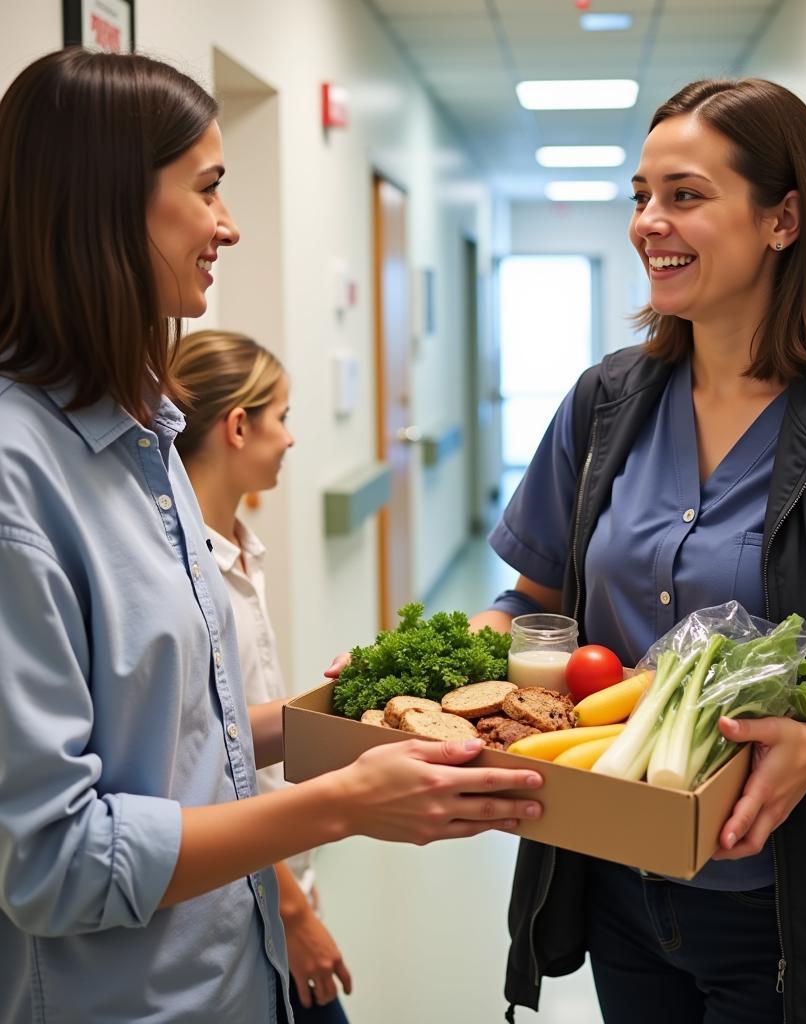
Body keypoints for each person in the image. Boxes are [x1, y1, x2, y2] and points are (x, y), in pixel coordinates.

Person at [0, 48, 543, 1024]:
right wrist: (338, 804)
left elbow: (169, 733)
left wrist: (335, 721)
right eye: (208, 189)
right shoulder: (17, 476)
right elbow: (54, 863)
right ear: (110, 205)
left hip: (231, 972)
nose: (230, 224)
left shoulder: (147, 435)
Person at [470, 78, 806, 1024]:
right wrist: (453, 672)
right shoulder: (605, 408)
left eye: (685, 195)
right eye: (640, 196)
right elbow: (531, 606)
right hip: (622, 892)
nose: (649, 222)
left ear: (783, 219)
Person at [174, 329, 351, 1021]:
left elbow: (239, 731)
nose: (292, 438)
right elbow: (205, 765)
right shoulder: (187, 576)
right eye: (283, 417)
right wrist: (295, 913)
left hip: (279, 874)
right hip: (249, 892)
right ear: (238, 426)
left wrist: (350, 704)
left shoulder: (244, 549)